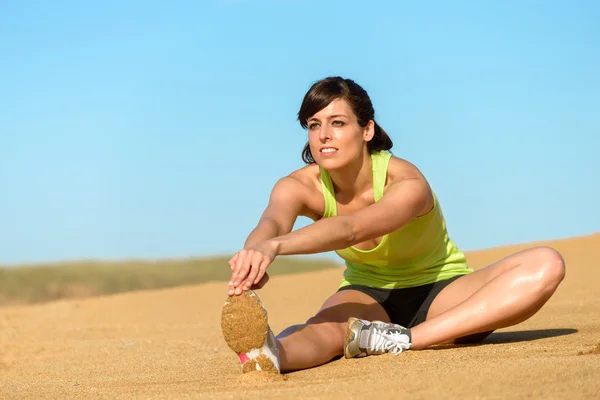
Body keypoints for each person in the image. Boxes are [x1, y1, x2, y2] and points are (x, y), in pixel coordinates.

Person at [220, 76, 566, 374]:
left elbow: (352, 228)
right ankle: (268, 354)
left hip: (443, 291)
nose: (324, 134)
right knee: (323, 332)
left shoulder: (408, 181)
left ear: (366, 129)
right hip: (368, 294)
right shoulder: (298, 186)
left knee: (546, 263)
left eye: (337, 123)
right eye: (314, 125)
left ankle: (407, 340)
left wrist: (276, 247)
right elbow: (272, 221)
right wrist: (254, 251)